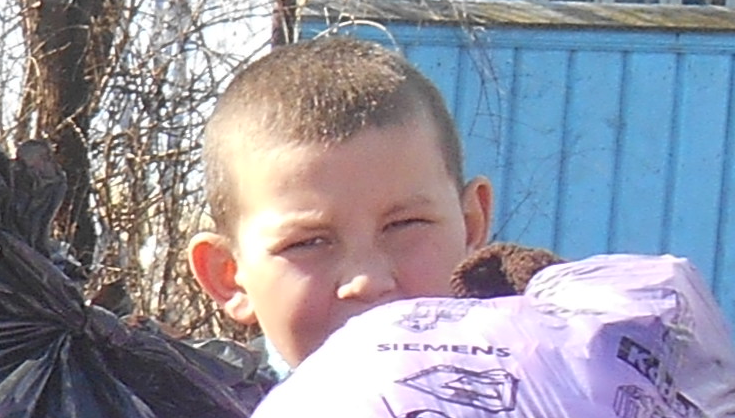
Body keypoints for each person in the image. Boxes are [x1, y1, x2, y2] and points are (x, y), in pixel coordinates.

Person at [184, 36, 542, 369]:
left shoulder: (556, 407)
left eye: (404, 225)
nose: (368, 282)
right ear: (228, 275)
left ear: (471, 225)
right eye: (308, 243)